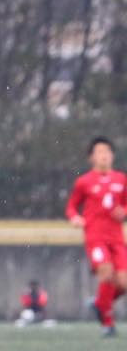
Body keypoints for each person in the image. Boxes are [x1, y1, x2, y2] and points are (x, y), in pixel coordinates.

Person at [66, 136, 127, 337]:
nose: (104, 156)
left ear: (112, 155)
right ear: (91, 157)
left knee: (123, 283)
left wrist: (124, 211)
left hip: (117, 238)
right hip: (95, 237)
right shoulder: (84, 182)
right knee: (106, 272)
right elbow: (71, 206)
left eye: (107, 151)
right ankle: (107, 324)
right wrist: (75, 218)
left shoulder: (121, 179)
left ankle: (99, 303)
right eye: (99, 152)